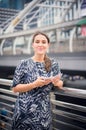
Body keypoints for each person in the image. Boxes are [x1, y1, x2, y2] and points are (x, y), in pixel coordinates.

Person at [11, 31, 63, 130]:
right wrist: (34, 84)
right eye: (37, 41)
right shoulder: (23, 63)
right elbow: (15, 88)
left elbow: (60, 83)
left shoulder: (54, 64)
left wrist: (57, 82)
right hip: (23, 114)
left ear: (48, 45)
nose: (40, 44)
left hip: (43, 115)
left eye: (43, 42)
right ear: (33, 45)